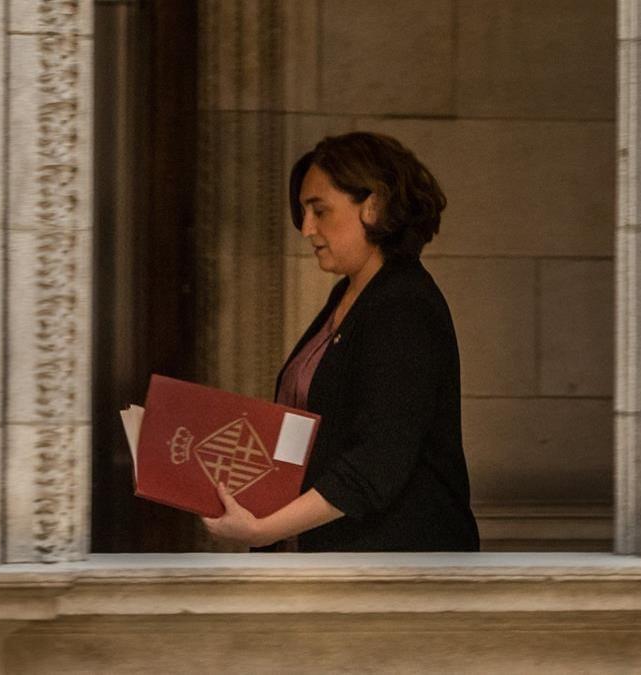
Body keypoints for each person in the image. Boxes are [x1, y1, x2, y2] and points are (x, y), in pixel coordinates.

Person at [202, 132, 480, 552]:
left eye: (320, 210)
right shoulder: (352, 294)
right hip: (333, 565)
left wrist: (264, 529)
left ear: (374, 205)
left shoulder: (403, 303)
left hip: (392, 572)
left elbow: (376, 462)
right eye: (303, 212)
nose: (306, 229)